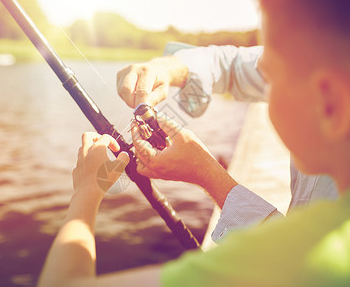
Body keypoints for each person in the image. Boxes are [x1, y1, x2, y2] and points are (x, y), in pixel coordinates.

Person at [38, 0, 350, 286]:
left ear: (332, 106)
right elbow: (230, 65)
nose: (263, 89)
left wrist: (87, 190)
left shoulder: (322, 255)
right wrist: (165, 70)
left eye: (270, 79)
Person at [117, 42, 338, 242]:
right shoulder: (323, 56)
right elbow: (231, 64)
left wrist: (208, 175)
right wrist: (165, 68)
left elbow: (302, 258)